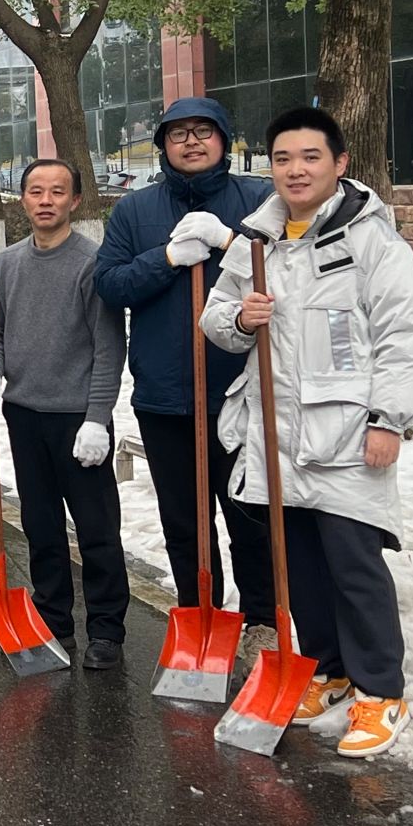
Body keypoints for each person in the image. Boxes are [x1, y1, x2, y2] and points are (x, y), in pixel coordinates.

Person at [201, 107, 413, 759]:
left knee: (354, 566)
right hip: (278, 434)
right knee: (299, 566)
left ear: (339, 163)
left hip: (349, 435)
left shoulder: (370, 240)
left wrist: (390, 419)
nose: (295, 170)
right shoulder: (257, 240)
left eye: (310, 157)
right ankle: (328, 672)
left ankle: (381, 692)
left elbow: (404, 334)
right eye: (282, 159)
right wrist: (240, 319)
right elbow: (215, 319)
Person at [93, 96, 278, 672]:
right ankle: (200, 616)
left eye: (204, 131)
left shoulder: (260, 201)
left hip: (243, 395)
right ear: (163, 147)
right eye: (178, 134)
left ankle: (262, 622)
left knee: (250, 516)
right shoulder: (135, 210)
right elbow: (110, 284)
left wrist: (228, 244)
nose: (191, 142)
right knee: (184, 521)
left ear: (224, 139)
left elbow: (288, 269)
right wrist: (169, 258)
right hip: (166, 396)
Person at [0, 159, 131, 669]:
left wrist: (97, 417)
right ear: (22, 199)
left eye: (57, 191)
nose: (45, 200)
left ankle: (107, 629)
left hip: (78, 419)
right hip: (24, 413)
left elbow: (109, 347)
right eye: (35, 191)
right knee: (40, 523)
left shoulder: (92, 264)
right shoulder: (5, 264)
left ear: (75, 200)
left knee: (96, 528)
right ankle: (53, 620)